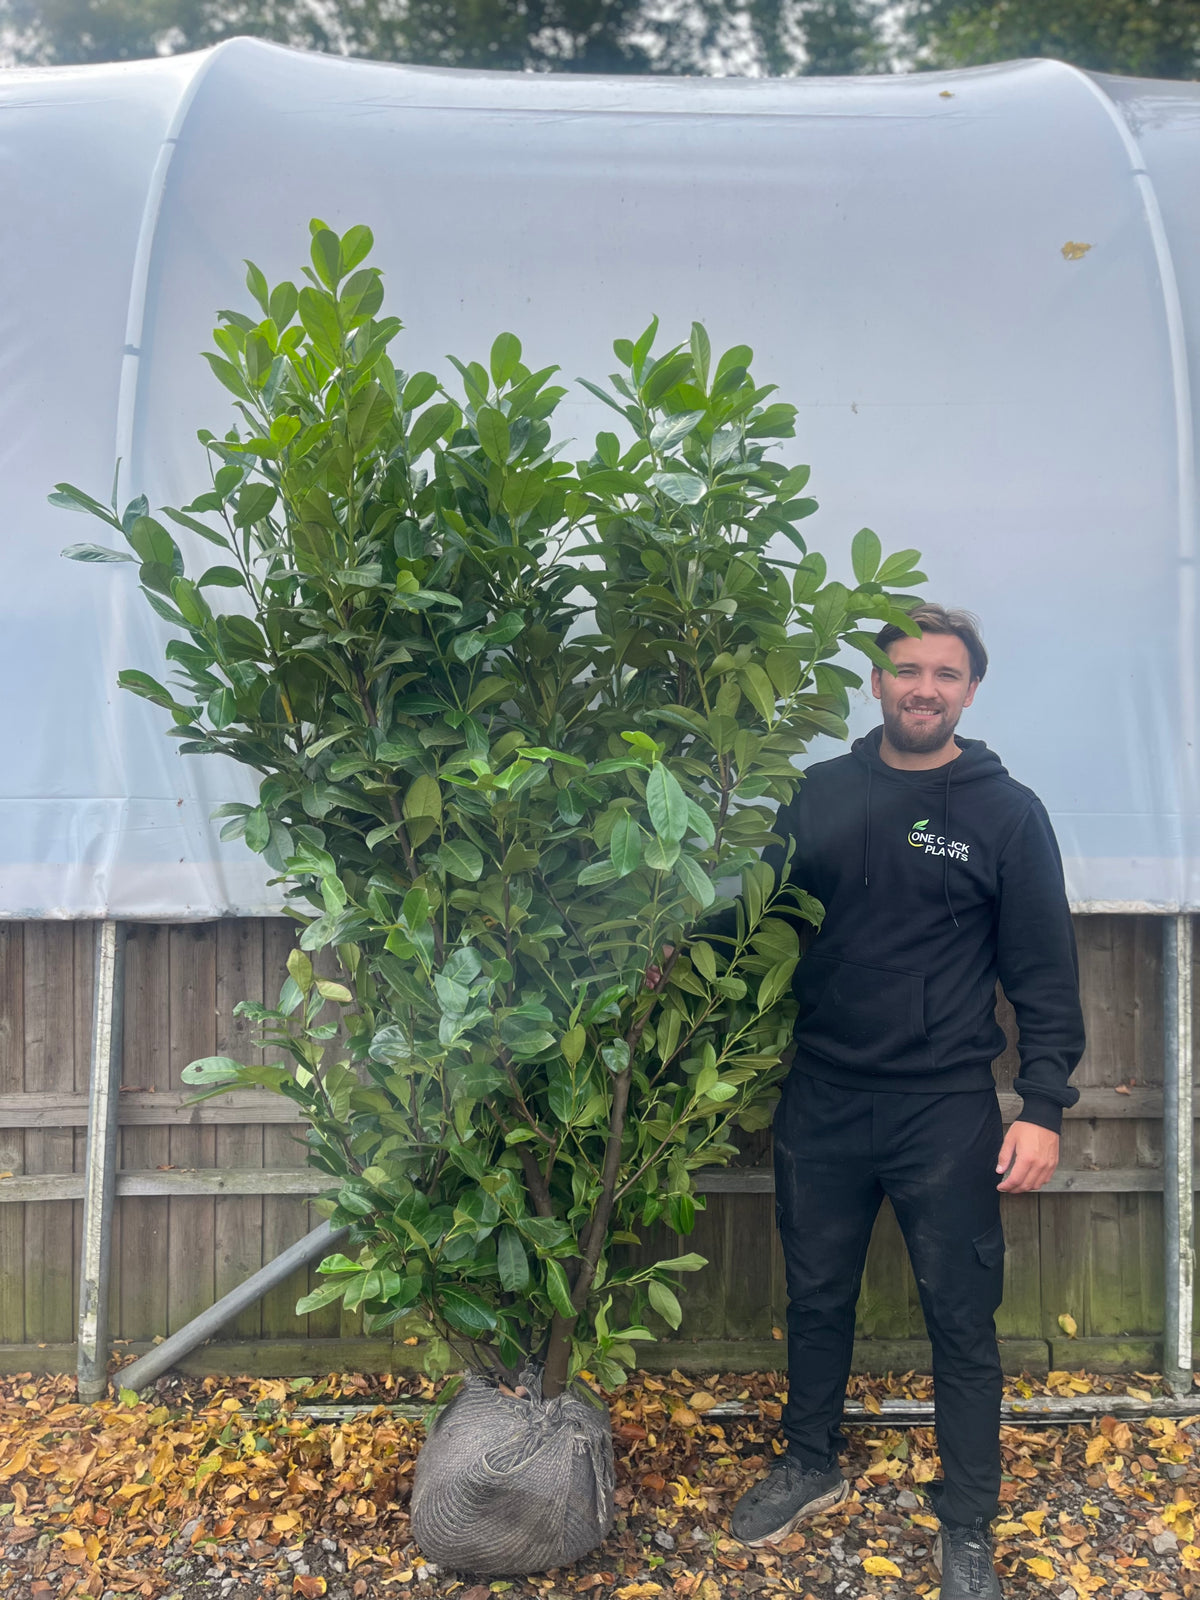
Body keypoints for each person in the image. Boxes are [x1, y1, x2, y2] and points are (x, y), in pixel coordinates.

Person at [723, 604, 1085, 1599]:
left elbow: (1047, 975)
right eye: (905, 669)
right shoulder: (819, 795)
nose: (923, 686)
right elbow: (749, 919)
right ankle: (810, 1462)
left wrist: (1044, 1106)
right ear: (875, 682)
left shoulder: (1007, 814)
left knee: (961, 1316)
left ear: (970, 690)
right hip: (825, 1099)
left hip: (946, 1111)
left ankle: (967, 1515)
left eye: (944, 672)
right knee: (816, 1297)